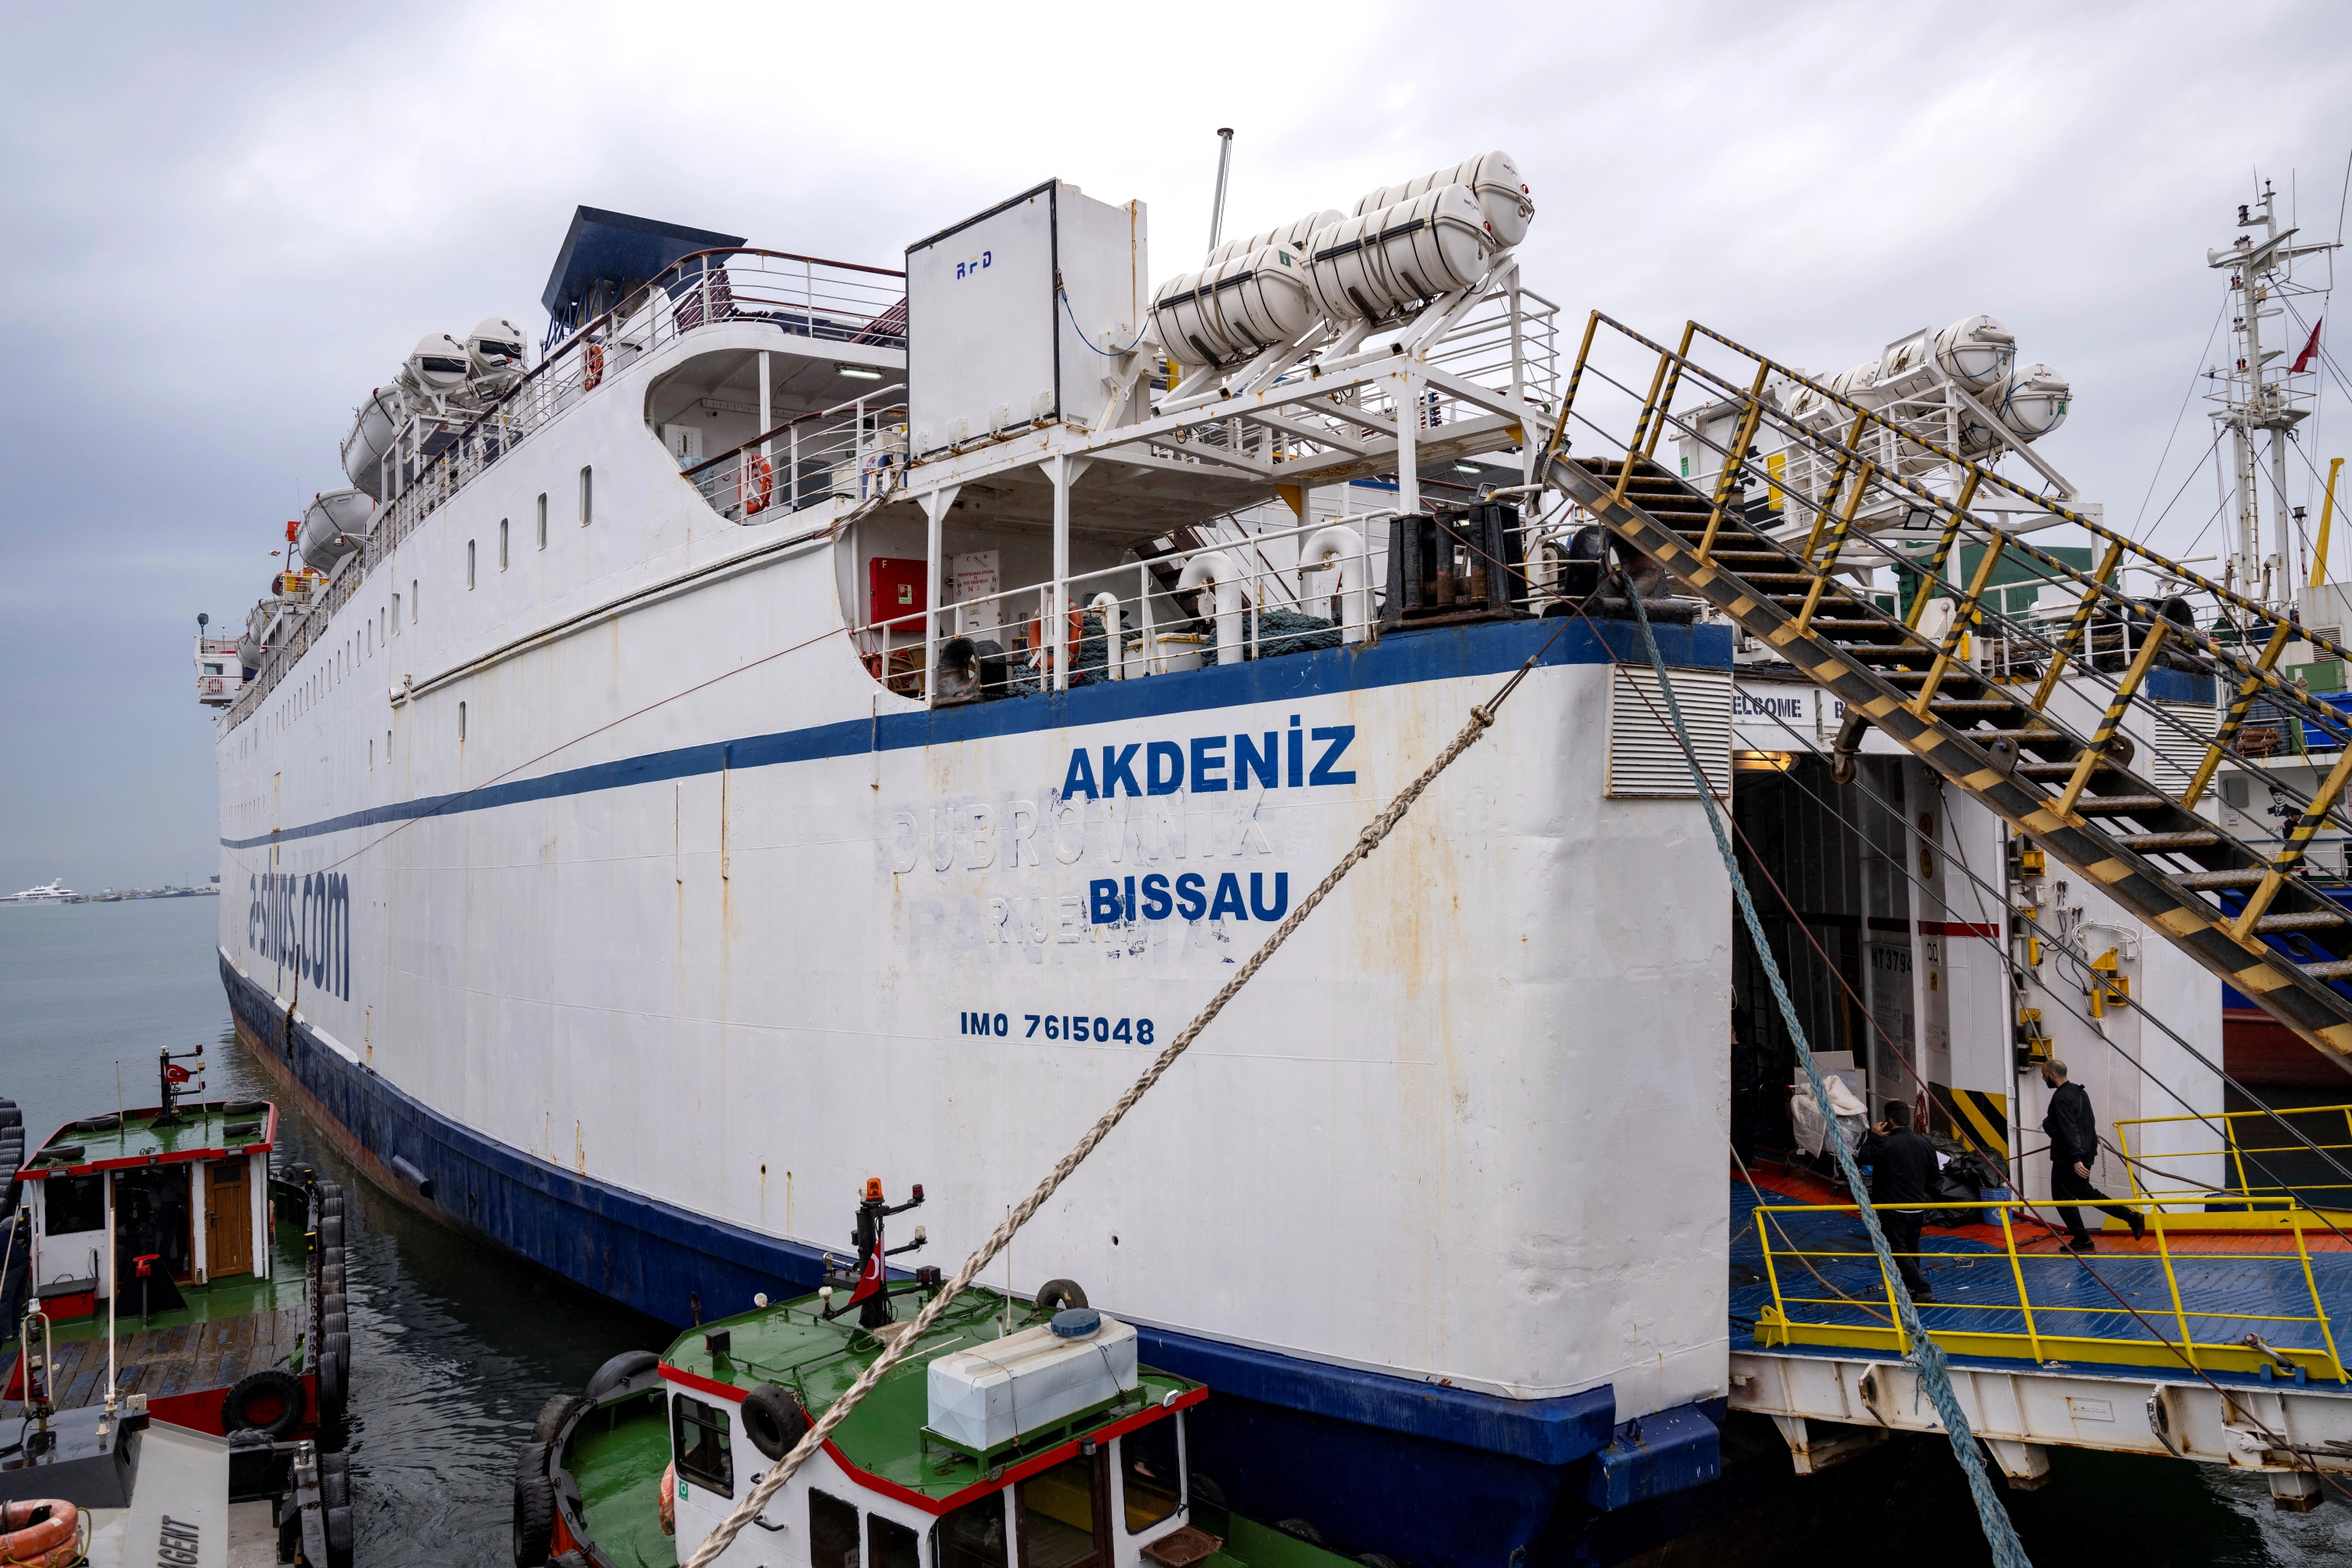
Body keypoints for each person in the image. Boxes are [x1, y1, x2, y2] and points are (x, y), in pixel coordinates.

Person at [2040, 1059, 2145, 1251]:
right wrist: (2083, 1155)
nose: (2043, 1077)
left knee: (2062, 1197)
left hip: (2069, 1157)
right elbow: (2087, 1123)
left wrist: (2075, 1159)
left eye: (2044, 1074)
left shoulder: (2061, 1097)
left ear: (2053, 1075)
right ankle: (2130, 1216)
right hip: (2086, 1152)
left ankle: (2082, 1240)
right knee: (2084, 1192)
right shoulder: (2079, 1092)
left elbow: (2069, 1128)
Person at [1857, 1101, 1940, 1301]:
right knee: (1912, 1248)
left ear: (1889, 1120)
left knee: (1896, 1248)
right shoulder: (1925, 1143)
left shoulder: (1885, 1144)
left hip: (1892, 1206)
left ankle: (1922, 1288)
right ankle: (1911, 1287)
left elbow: (1864, 1157)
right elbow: (1934, 1175)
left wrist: (1874, 1137)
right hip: (1917, 1206)